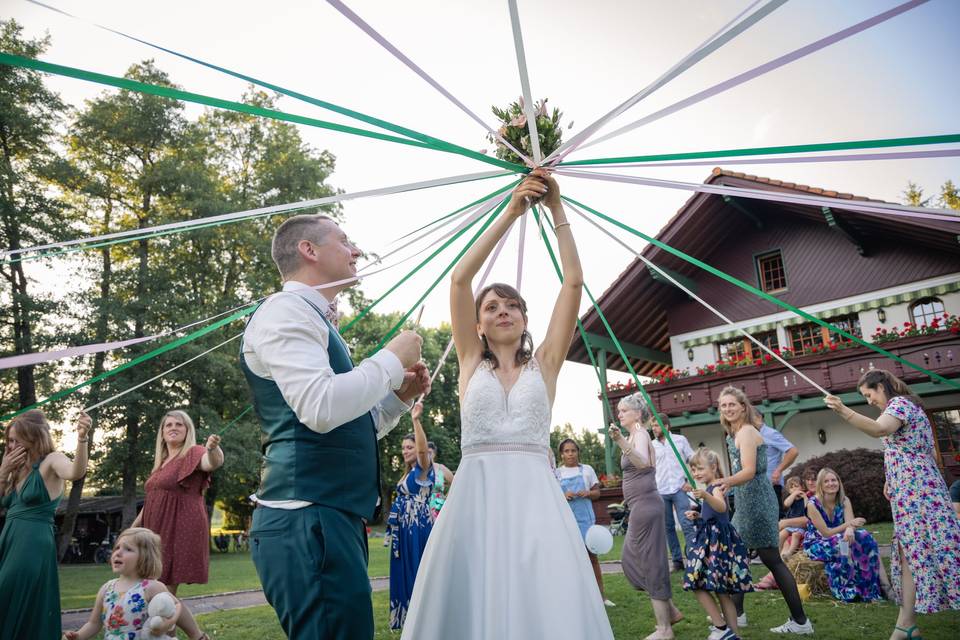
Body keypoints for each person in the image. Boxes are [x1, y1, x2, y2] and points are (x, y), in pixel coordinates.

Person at [400, 171, 614, 639]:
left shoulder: (547, 364)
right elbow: (460, 280)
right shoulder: (469, 364)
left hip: (536, 496)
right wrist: (513, 210)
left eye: (511, 305)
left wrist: (556, 207)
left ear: (524, 318)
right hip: (476, 496)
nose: (502, 311)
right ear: (477, 325)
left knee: (542, 594)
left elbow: (573, 284)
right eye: (492, 307)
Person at [241, 212, 430, 640]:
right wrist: (389, 358)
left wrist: (397, 397)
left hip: (329, 519)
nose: (357, 250)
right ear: (309, 250)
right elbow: (319, 407)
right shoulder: (285, 311)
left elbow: (344, 428)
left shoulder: (317, 323)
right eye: (344, 241)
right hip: (306, 518)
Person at [826, 369, 960, 640]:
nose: (868, 401)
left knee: (941, 549)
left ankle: (905, 626)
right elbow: (907, 448)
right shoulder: (903, 407)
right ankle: (906, 625)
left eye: (868, 394)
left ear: (881, 387)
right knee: (908, 552)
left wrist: (843, 411)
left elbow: (879, 430)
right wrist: (891, 478)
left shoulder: (900, 405)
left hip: (919, 492)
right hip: (909, 491)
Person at [716, 386, 813, 635]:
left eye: (732, 404)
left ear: (743, 407)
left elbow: (749, 470)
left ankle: (800, 621)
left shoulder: (747, 432)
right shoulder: (735, 432)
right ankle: (738, 615)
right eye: (723, 405)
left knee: (771, 560)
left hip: (757, 502)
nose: (727, 409)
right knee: (739, 555)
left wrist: (726, 481)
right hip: (748, 501)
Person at [131, 410, 222, 638]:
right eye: (168, 424)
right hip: (155, 529)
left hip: (180, 526)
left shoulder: (194, 452)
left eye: (179, 425)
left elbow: (212, 463)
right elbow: (152, 501)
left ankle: (170, 636)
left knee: (163, 590)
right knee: (159, 590)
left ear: (187, 430)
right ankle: (196, 636)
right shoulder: (161, 464)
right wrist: (131, 530)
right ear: (162, 433)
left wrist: (213, 448)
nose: (173, 427)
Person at [0, 409, 90, 640]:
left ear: (33, 437)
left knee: (7, 590)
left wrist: (82, 438)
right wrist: (3, 471)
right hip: (9, 539)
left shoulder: (52, 460)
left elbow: (75, 472)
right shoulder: (15, 468)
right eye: (9, 440)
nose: (10, 446)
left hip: (32, 541)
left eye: (15, 440)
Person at [610, 393, 684, 640]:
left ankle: (665, 629)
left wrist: (620, 441)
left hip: (645, 506)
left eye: (624, 410)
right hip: (641, 506)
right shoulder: (636, 435)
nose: (619, 414)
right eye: (619, 411)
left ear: (637, 414)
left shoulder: (640, 434)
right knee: (637, 560)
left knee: (646, 562)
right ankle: (670, 610)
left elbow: (641, 462)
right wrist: (623, 439)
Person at [63, 527, 208, 640]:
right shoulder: (107, 589)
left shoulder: (151, 587)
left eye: (128, 549)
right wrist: (79, 635)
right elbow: (94, 624)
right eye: (117, 548)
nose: (118, 553)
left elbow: (176, 607)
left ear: (145, 557)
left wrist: (167, 625)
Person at [683, 448, 753, 640]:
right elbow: (714, 514)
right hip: (712, 540)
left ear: (713, 467)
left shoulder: (714, 488)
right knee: (721, 591)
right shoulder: (710, 489)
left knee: (696, 583)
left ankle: (721, 627)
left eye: (700, 469)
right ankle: (733, 635)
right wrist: (698, 515)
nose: (696, 473)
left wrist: (706, 497)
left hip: (717, 544)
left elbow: (721, 507)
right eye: (694, 470)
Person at [802, 467, 886, 602]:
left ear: (839, 482)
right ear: (821, 485)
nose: (831, 484)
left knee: (864, 536)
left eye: (834, 480)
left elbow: (850, 524)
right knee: (843, 541)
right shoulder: (812, 505)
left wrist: (850, 528)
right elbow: (826, 533)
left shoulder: (844, 500)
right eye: (826, 481)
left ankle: (871, 589)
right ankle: (848, 590)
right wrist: (848, 526)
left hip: (841, 537)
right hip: (817, 543)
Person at [388, 401, 435, 630]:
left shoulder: (424, 469)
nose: (405, 450)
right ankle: (411, 623)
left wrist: (415, 420)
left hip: (417, 528)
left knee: (417, 572)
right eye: (404, 448)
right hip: (404, 530)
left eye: (410, 447)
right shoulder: (408, 474)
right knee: (405, 571)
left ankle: (423, 621)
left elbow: (423, 451)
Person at [555, 437, 613, 607]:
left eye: (573, 450)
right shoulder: (557, 473)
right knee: (570, 560)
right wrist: (563, 496)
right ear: (562, 454)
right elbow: (552, 497)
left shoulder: (587, 470)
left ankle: (601, 597)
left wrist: (588, 493)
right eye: (567, 451)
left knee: (592, 558)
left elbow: (598, 493)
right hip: (566, 523)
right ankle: (576, 598)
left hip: (586, 522)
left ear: (578, 452)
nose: (570, 454)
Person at [649, 412, 696, 572]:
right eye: (652, 426)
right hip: (661, 491)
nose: (653, 428)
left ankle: (693, 558)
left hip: (679, 488)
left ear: (666, 426)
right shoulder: (651, 445)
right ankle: (677, 561)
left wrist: (689, 481)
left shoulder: (679, 440)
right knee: (668, 527)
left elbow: (693, 460)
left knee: (687, 523)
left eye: (656, 425)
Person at [759, 424, 799, 516]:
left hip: (771, 485)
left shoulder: (770, 433)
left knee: (775, 519)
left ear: (758, 417)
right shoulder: (750, 434)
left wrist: (778, 470)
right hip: (757, 487)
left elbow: (793, 451)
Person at [778, 476, 807, 560]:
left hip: (800, 526)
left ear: (802, 487)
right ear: (789, 491)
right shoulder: (792, 499)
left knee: (795, 535)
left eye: (796, 486)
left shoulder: (805, 497)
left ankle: (789, 553)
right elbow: (786, 504)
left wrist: (805, 497)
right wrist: (793, 495)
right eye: (791, 487)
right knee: (781, 535)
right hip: (790, 525)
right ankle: (778, 553)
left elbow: (807, 508)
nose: (794, 489)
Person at [426, 440, 454, 521]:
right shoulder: (418, 470)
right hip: (423, 507)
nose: (428, 455)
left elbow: (455, 483)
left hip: (438, 507)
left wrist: (446, 498)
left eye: (430, 452)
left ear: (434, 454)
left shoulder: (440, 468)